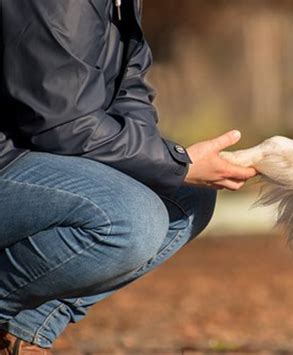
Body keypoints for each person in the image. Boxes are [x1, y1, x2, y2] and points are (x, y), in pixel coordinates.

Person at [0, 0, 257, 353]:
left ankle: (21, 331)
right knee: (131, 218)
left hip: (29, 151)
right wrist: (178, 164)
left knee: (184, 198)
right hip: (12, 157)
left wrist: (168, 166)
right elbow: (64, 124)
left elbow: (129, 87)